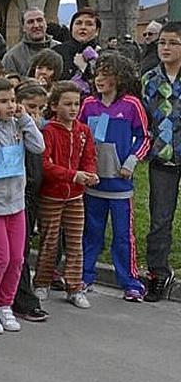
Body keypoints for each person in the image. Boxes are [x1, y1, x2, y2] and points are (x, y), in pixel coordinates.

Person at [0, 78, 45, 335]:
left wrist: (25, 120)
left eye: (12, 100)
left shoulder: (18, 126)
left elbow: (39, 146)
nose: (10, 106)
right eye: (3, 101)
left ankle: (5, 304)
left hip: (16, 202)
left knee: (16, 259)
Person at [79, 53, 150, 302]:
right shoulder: (88, 105)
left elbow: (144, 137)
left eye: (106, 74)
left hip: (120, 185)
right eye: (98, 73)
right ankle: (84, 275)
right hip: (94, 183)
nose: (100, 79)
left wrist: (131, 161)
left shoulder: (132, 105)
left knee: (122, 235)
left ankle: (130, 281)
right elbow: (78, 135)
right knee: (91, 231)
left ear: (120, 78)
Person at [34, 81, 98, 309]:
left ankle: (74, 286)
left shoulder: (84, 131)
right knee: (49, 241)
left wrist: (90, 174)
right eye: (67, 104)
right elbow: (45, 164)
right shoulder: (48, 131)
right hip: (51, 196)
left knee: (75, 242)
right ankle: (42, 282)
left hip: (75, 197)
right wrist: (72, 175)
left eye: (76, 104)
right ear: (54, 106)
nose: (73, 109)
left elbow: (89, 157)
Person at [141, 21, 181, 302]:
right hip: (162, 160)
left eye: (172, 43)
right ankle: (157, 272)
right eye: (162, 43)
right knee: (160, 218)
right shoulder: (149, 79)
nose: (165, 48)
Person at [12, 81, 51, 322]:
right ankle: (22, 299)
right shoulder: (14, 131)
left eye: (40, 109)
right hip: (16, 196)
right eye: (30, 107)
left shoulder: (35, 132)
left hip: (33, 196)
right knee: (19, 251)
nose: (35, 114)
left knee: (22, 249)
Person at [2, 8, 60, 76]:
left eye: (39, 20)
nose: (36, 25)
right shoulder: (11, 57)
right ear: (23, 27)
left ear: (46, 23)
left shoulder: (61, 49)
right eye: (30, 22)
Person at [52, 8, 101, 86]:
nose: (83, 27)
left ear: (97, 31)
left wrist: (85, 69)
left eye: (89, 24)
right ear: (71, 28)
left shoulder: (104, 56)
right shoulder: (56, 53)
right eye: (78, 23)